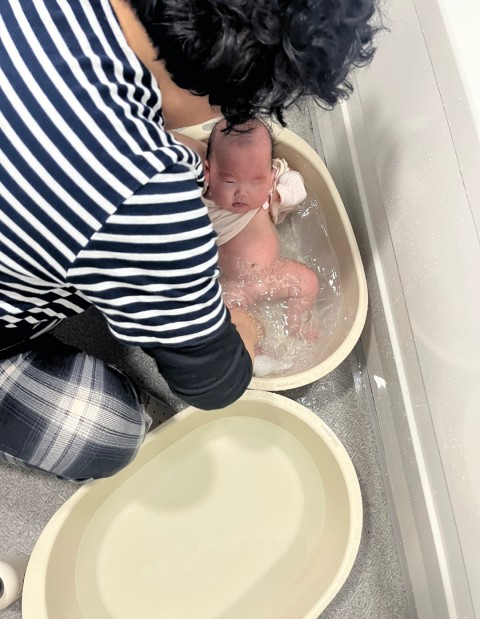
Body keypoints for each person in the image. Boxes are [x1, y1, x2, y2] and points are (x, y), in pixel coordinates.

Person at [0, 0, 378, 481]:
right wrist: (243, 320)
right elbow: (215, 383)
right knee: (112, 434)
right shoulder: (146, 198)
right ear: (244, 91)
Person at [203, 118, 319, 337]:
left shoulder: (269, 189)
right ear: (208, 172)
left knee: (308, 282)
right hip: (236, 285)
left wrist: (280, 194)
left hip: (274, 272)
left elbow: (297, 185)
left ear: (270, 176)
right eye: (230, 182)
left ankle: (295, 326)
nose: (242, 193)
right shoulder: (204, 203)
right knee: (222, 318)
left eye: (255, 182)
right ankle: (255, 344)